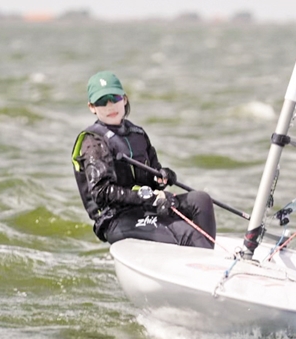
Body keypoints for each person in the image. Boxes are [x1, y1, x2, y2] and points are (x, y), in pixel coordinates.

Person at [71, 71, 216, 249]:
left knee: (201, 200)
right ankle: (198, 249)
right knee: (187, 233)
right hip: (116, 219)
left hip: (145, 207)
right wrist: (146, 197)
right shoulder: (93, 142)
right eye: (102, 101)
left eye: (114, 98)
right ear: (92, 107)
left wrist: (163, 177)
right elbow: (101, 193)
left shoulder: (137, 134)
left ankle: (203, 252)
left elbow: (153, 177)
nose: (110, 106)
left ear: (124, 99)